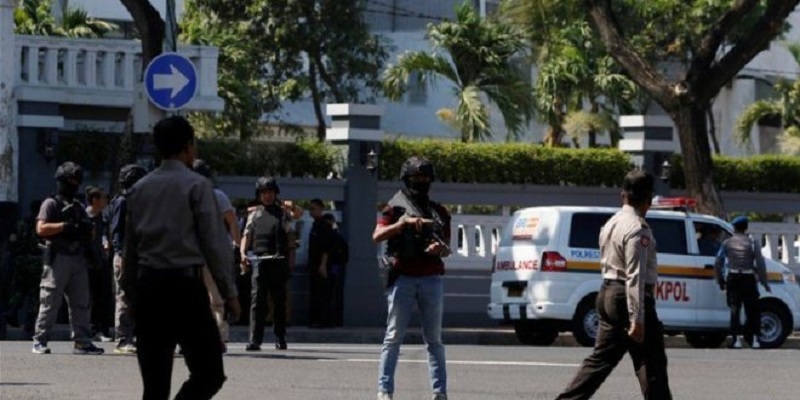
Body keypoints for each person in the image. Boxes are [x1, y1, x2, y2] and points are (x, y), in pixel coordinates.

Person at [120, 116, 240, 400]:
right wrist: (229, 293)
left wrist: (130, 295)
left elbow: (130, 250)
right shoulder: (198, 186)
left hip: (149, 289)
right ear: (188, 147)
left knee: (154, 387)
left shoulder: (139, 189)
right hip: (186, 289)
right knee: (209, 374)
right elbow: (214, 244)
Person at [555, 169, 672, 400]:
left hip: (607, 293)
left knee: (600, 361)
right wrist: (637, 318)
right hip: (627, 298)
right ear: (649, 200)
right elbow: (635, 276)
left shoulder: (610, 224)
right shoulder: (637, 228)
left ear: (623, 196)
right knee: (652, 364)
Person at [373, 156, 451, 400]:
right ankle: (385, 390)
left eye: (425, 178)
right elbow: (377, 235)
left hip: (431, 279)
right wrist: (401, 224)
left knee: (434, 340)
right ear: (407, 179)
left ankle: (439, 392)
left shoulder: (439, 212)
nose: (421, 182)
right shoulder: (394, 208)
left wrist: (438, 249)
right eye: (416, 178)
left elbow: (447, 248)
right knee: (393, 337)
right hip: (402, 279)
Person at [31, 161, 104, 355]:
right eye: (71, 180)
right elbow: (41, 229)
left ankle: (82, 342)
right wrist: (64, 226)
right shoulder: (51, 203)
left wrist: (85, 229)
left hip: (77, 258)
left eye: (76, 181)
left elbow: (91, 233)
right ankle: (40, 340)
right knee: (50, 301)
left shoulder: (78, 206)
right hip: (58, 258)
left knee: (82, 302)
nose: (74, 184)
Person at [193, 159, 242, 351]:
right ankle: (217, 338)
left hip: (195, 253)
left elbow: (232, 222)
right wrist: (235, 246)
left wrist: (235, 246)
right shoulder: (217, 195)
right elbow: (232, 222)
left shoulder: (189, 194)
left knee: (206, 298)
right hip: (210, 253)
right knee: (215, 299)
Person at [240, 177, 293, 351]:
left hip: (278, 261)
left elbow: (295, 221)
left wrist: (289, 206)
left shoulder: (282, 213)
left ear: (275, 194)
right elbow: (247, 235)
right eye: (264, 193)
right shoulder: (254, 214)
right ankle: (255, 340)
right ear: (259, 195)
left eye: (270, 192)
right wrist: (242, 253)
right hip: (259, 261)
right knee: (257, 302)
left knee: (279, 301)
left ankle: (280, 337)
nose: (267, 196)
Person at [714, 215, 771, 349]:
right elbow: (760, 263)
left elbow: (717, 262)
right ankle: (755, 339)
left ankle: (736, 340)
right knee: (752, 310)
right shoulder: (752, 243)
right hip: (748, 278)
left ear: (734, 228)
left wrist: (720, 280)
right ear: (746, 228)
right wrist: (764, 282)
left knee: (735, 308)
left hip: (733, 277)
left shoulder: (727, 243)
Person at [110, 163, 148, 354]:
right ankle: (123, 339)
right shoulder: (123, 202)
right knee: (124, 297)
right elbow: (116, 231)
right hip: (125, 256)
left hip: (140, 256)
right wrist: (122, 254)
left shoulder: (139, 202)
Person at [85, 186, 114, 342]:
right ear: (95, 200)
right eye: (103, 198)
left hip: (102, 261)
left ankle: (102, 329)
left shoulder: (103, 218)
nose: (106, 200)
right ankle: (90, 329)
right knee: (89, 298)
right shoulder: (85, 217)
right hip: (88, 264)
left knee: (103, 297)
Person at [307, 198, 334, 328]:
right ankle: (315, 319)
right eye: (310, 209)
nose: (311, 211)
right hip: (314, 263)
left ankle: (322, 320)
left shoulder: (323, 225)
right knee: (315, 292)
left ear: (321, 209)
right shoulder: (315, 225)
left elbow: (326, 247)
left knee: (321, 293)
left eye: (313, 209)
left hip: (321, 264)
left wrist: (323, 265)